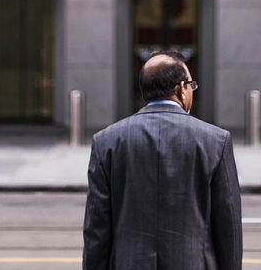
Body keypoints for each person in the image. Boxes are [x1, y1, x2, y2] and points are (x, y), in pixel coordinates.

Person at [82, 51, 242, 270]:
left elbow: (97, 230)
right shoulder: (215, 141)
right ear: (181, 89)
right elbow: (228, 228)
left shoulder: (107, 141)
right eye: (191, 86)